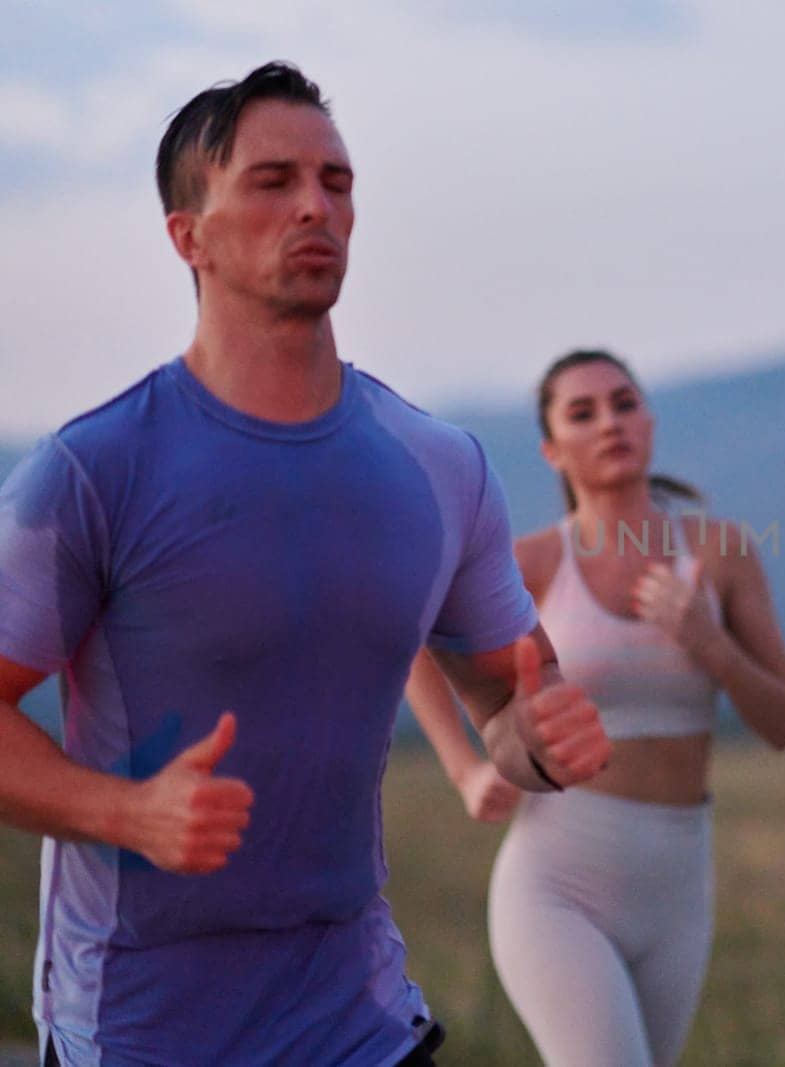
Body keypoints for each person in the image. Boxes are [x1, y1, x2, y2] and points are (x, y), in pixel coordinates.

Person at [0, 62, 610, 1067]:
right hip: (142, 1025)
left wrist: (540, 744)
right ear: (187, 234)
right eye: (273, 181)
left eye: (336, 180)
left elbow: (507, 708)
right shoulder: (93, 469)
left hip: (357, 1017)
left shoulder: (438, 466)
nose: (316, 207)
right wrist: (125, 810)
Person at [406, 347, 785, 1066]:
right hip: (559, 881)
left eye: (623, 402)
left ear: (649, 420)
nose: (609, 422)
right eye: (582, 413)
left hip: (680, 885)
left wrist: (708, 642)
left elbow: (782, 723)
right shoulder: (528, 563)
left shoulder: (721, 553)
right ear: (553, 449)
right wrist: (466, 767)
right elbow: (413, 639)